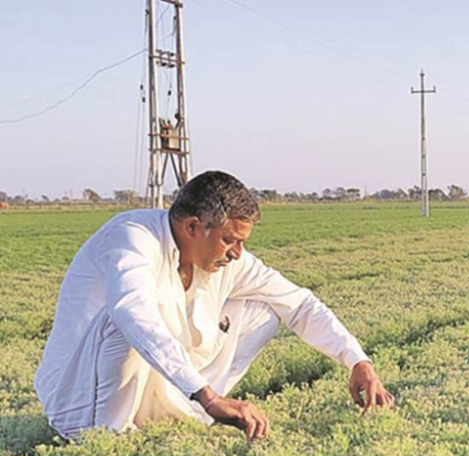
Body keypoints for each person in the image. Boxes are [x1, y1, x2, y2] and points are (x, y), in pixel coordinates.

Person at [34, 171, 393, 441]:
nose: (236, 253)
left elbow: (298, 304)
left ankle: (189, 413)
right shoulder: (133, 237)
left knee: (264, 311)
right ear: (193, 226)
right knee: (125, 319)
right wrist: (209, 396)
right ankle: (106, 440)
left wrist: (357, 359)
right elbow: (134, 314)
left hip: (156, 385)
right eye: (229, 241)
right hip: (78, 396)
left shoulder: (227, 260)